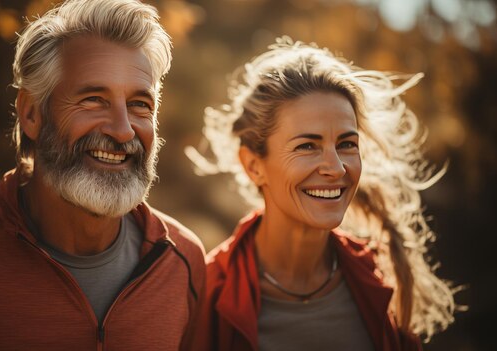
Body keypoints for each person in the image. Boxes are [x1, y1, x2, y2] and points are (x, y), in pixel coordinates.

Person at [0, 0, 206, 349]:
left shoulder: (184, 262)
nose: (123, 131)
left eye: (140, 105)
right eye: (93, 99)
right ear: (31, 114)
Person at [186, 37, 457, 351]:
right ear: (253, 165)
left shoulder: (383, 282)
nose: (337, 168)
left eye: (346, 144)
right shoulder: (202, 296)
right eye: (307, 146)